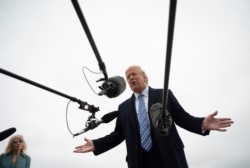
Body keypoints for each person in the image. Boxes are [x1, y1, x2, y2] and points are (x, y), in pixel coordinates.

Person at [74, 65, 234, 168]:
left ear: (145, 78)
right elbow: (117, 135)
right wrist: (96, 144)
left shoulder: (164, 95)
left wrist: (202, 124)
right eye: (128, 77)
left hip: (168, 155)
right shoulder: (123, 108)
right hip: (140, 161)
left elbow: (183, 118)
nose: (130, 78)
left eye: (134, 75)